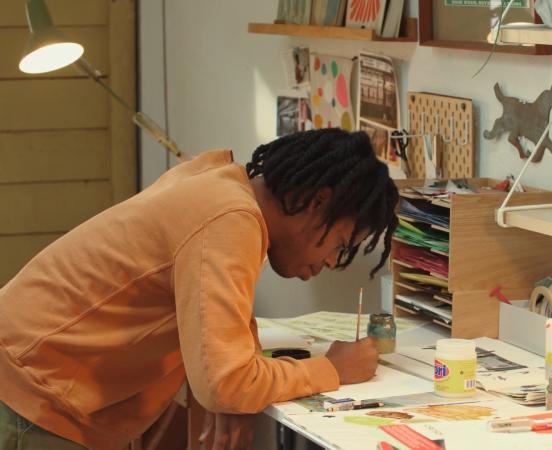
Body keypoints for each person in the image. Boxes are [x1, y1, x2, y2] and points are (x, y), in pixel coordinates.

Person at [0, 129, 399, 450]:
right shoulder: (231, 220)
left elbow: (222, 343)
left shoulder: (218, 181)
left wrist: (238, 387)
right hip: (33, 396)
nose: (332, 262)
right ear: (317, 201)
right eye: (341, 245)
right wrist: (331, 370)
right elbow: (226, 384)